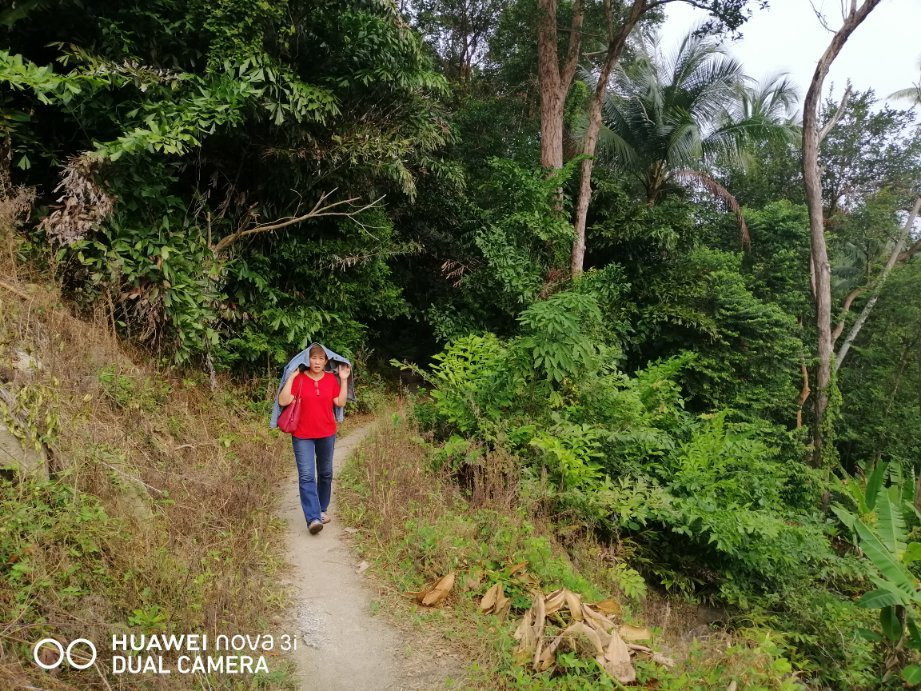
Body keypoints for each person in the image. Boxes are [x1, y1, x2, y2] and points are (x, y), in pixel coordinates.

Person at [277, 343, 351, 535]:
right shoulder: (299, 378)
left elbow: (340, 402)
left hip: (327, 433)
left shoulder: (330, 380)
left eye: (321, 358)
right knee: (307, 476)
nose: (317, 362)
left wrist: (343, 380)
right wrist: (292, 376)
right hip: (302, 435)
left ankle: (322, 509)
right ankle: (313, 518)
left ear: (326, 361)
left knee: (326, 473)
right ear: (307, 359)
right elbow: (283, 401)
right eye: (313, 357)